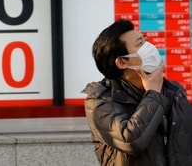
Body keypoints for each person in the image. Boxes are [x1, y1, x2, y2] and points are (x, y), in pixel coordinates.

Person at [82, 19, 192, 165]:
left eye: (145, 40)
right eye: (140, 44)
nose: (149, 47)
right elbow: (131, 140)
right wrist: (153, 92)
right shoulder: (99, 101)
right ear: (122, 62)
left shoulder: (174, 92)